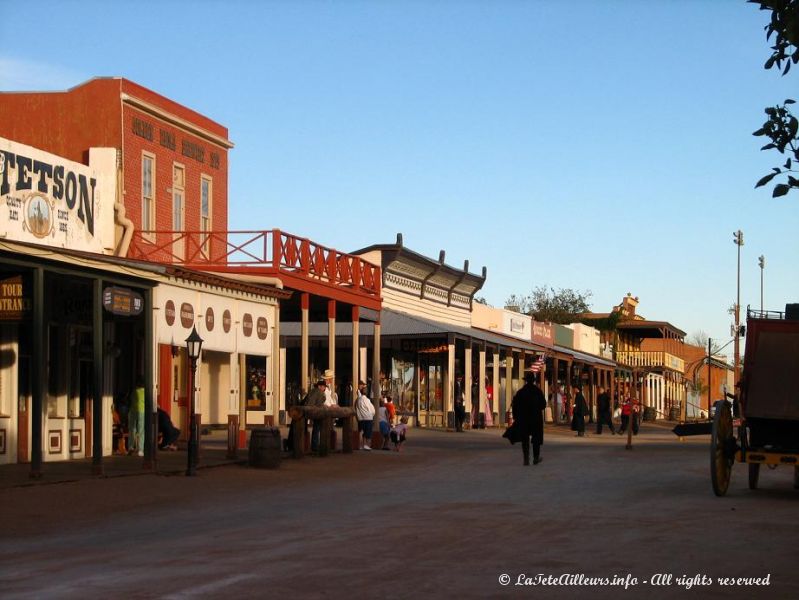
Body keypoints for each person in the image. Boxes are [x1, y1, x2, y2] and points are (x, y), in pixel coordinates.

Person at [511, 371, 547, 466]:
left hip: (524, 419)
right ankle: (536, 457)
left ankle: (526, 458)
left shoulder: (521, 392)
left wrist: (515, 417)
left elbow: (515, 405)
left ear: (526, 381)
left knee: (525, 439)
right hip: (535, 418)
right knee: (536, 438)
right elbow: (543, 404)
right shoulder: (538, 391)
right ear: (533, 381)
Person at [302, 378, 327, 452]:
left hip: (306, 410)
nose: (324, 388)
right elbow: (319, 404)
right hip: (313, 412)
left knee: (315, 428)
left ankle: (313, 445)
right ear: (319, 386)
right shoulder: (319, 392)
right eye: (323, 386)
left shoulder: (312, 391)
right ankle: (315, 446)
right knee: (317, 428)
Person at [354, 380, 375, 450]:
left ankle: (360, 445)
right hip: (368, 418)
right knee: (367, 433)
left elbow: (356, 408)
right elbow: (371, 410)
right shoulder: (367, 400)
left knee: (361, 431)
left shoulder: (358, 400)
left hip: (360, 418)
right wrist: (372, 414)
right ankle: (366, 445)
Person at [127, 379, 145, 457]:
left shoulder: (134, 391)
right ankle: (140, 450)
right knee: (141, 430)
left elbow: (129, 400)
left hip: (132, 410)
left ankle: (131, 447)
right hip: (142, 411)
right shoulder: (145, 392)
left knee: (132, 429)